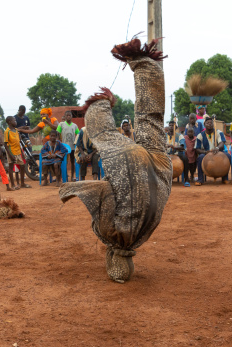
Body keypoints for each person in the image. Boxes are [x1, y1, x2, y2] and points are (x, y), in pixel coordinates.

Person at [59, 37, 172, 283]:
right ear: (113, 257)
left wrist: (79, 187)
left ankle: (145, 63)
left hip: (161, 173)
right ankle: (101, 103)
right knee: (105, 136)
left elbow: (106, 192)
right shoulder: (111, 233)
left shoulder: (142, 234)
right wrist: (75, 189)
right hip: (134, 169)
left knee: (151, 118)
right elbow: (102, 192)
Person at [195, 117, 230, 185]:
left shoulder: (219, 132)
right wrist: (205, 152)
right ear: (204, 124)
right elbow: (197, 149)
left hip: (218, 152)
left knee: (228, 156)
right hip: (206, 153)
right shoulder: (200, 135)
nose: (209, 124)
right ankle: (200, 179)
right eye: (207, 123)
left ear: (213, 124)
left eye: (211, 123)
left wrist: (217, 148)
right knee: (200, 158)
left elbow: (222, 144)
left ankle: (225, 178)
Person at [4, 116, 30, 189]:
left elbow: (19, 142)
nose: (16, 122)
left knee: (22, 166)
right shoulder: (7, 131)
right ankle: (12, 184)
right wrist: (10, 155)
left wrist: (22, 152)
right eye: (14, 120)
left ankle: (22, 183)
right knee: (11, 167)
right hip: (11, 152)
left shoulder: (16, 130)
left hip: (18, 151)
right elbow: (5, 145)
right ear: (9, 122)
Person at [57, 110, 80, 181]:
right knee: (63, 162)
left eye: (70, 115)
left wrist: (77, 143)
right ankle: (64, 176)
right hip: (64, 147)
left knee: (72, 161)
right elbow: (58, 133)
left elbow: (78, 134)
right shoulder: (61, 124)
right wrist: (59, 142)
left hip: (72, 147)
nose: (68, 117)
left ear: (72, 116)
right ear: (65, 116)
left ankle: (72, 176)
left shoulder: (74, 125)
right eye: (67, 115)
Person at [166, 120, 189, 186]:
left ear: (175, 127)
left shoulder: (180, 136)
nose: (171, 127)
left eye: (172, 125)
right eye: (169, 125)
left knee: (185, 159)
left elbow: (182, 147)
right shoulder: (164, 136)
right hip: (166, 154)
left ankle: (186, 179)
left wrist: (173, 147)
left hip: (177, 154)